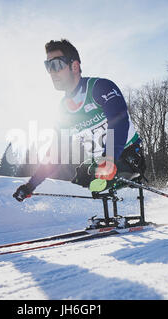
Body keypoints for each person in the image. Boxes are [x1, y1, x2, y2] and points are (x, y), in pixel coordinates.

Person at [13, 39, 145, 202]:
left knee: (99, 179)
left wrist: (109, 157)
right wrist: (30, 185)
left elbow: (119, 121)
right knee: (80, 178)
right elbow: (56, 152)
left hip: (128, 156)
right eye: (48, 67)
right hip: (101, 165)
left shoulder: (100, 87)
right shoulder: (64, 110)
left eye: (56, 65)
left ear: (74, 66)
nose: (52, 72)